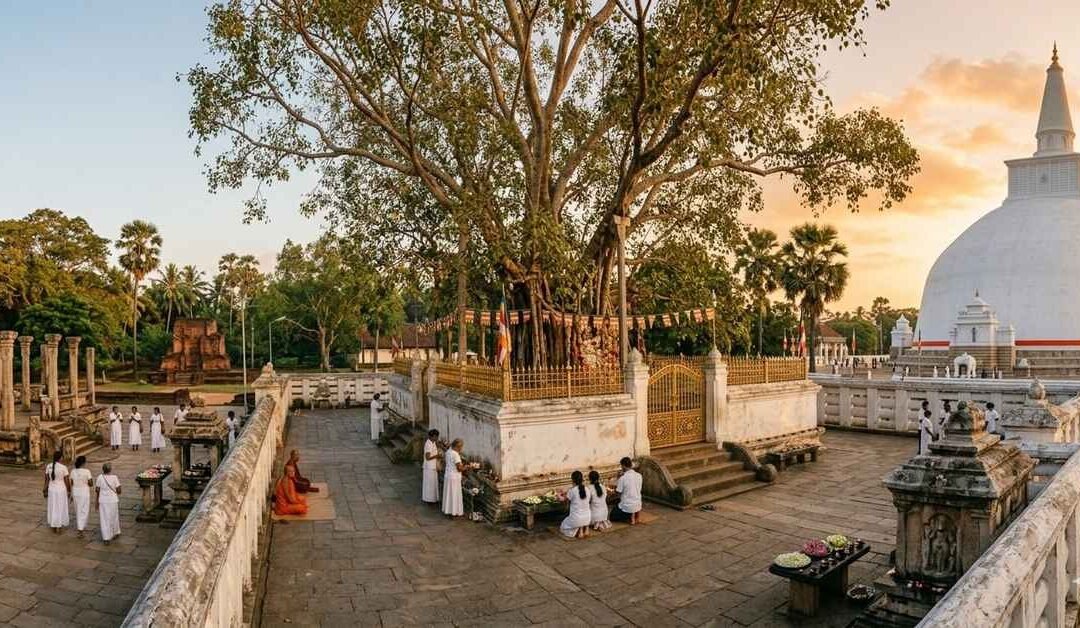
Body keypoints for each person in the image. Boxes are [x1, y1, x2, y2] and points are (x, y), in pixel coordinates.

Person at [42, 451, 70, 534]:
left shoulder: (49, 466)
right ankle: (58, 526)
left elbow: (46, 479)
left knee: (53, 507)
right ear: (60, 458)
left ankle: (53, 525)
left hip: (52, 489)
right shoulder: (63, 467)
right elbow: (67, 480)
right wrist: (69, 490)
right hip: (61, 490)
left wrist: (44, 489)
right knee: (60, 507)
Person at [560, 471, 594, 539]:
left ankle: (579, 531)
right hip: (588, 518)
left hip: (576, 519)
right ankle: (583, 530)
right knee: (580, 515)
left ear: (572, 480)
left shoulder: (572, 490)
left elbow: (563, 499)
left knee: (562, 527)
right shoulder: (587, 489)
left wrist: (558, 495)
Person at [610, 457, 643, 525]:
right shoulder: (639, 475)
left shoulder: (623, 478)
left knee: (612, 516)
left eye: (621, 466)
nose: (621, 467)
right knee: (632, 499)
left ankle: (630, 517)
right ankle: (635, 516)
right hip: (638, 503)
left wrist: (611, 491)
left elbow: (618, 492)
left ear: (623, 466)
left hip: (627, 505)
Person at [95, 463, 121, 544]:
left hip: (103, 500)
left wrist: (96, 501)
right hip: (113, 500)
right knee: (114, 516)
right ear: (110, 469)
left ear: (103, 469)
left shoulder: (100, 477)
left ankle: (106, 538)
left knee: (104, 519)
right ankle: (115, 532)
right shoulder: (115, 477)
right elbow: (119, 491)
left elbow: (97, 490)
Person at [442, 438, 467, 517]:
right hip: (454, 478)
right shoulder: (455, 455)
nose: (461, 449)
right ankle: (454, 512)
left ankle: (448, 510)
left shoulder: (448, 451)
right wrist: (467, 467)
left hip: (448, 476)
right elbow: (459, 468)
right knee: (454, 495)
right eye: (460, 447)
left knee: (449, 494)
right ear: (457, 446)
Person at [71, 455, 92, 538]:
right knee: (84, 510)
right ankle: (80, 529)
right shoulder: (87, 471)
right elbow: (90, 484)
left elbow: (71, 483)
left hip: (76, 492)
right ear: (83, 463)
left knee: (78, 510)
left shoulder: (73, 471)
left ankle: (81, 526)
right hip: (84, 492)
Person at [422, 429, 441, 505]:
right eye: (436, 437)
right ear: (433, 436)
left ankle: (433, 499)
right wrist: (437, 455)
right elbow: (428, 457)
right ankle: (429, 499)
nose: (437, 438)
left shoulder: (433, 443)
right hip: (429, 467)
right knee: (429, 484)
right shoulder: (428, 444)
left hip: (432, 467)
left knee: (433, 484)